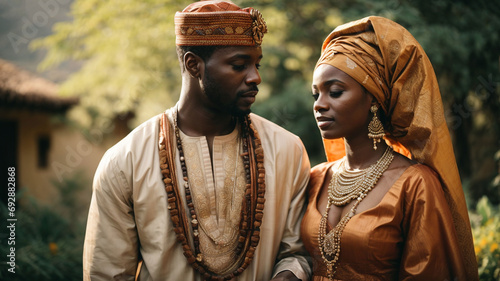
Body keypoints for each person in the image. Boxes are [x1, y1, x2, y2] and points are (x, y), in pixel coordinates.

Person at [83, 1, 311, 280]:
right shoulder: (125, 161)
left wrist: (289, 272)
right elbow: (108, 272)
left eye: (257, 64)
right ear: (194, 65)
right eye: (239, 65)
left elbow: (298, 253)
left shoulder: (287, 151)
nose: (256, 77)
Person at [300, 16, 478, 281]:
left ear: (373, 97)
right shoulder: (315, 178)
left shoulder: (415, 184)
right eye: (316, 94)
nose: (319, 104)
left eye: (335, 92)